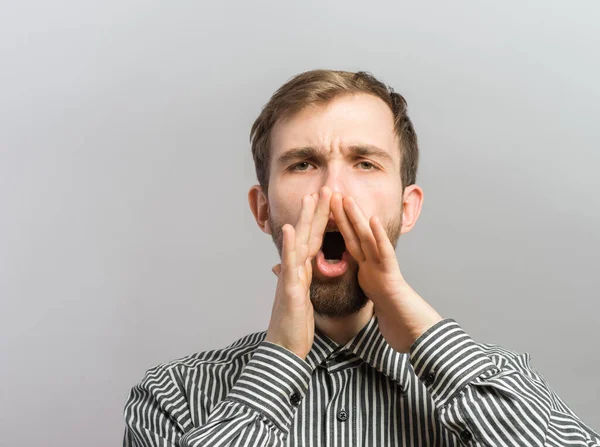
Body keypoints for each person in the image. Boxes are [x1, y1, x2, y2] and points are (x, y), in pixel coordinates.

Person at [122, 69, 600, 446]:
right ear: (263, 209)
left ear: (407, 208)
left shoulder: (494, 384)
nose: (332, 191)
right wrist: (281, 358)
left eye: (365, 163)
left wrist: (421, 332)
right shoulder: (174, 396)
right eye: (303, 163)